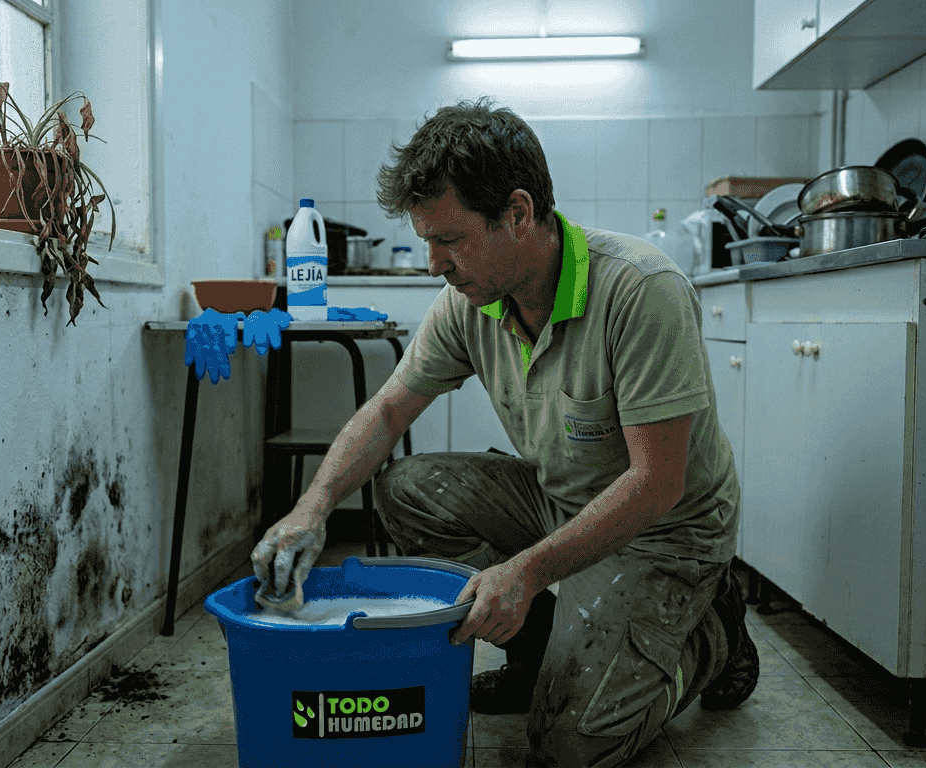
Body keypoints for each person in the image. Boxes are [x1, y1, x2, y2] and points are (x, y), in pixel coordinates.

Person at [251, 97, 756, 768]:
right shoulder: (470, 302)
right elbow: (388, 412)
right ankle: (536, 653)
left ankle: (711, 633)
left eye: (448, 239)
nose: (433, 262)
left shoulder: (640, 290)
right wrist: (312, 508)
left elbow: (656, 484)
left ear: (518, 214)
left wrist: (526, 569)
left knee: (571, 746)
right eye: (427, 239)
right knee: (410, 489)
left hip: (667, 530)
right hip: (561, 498)